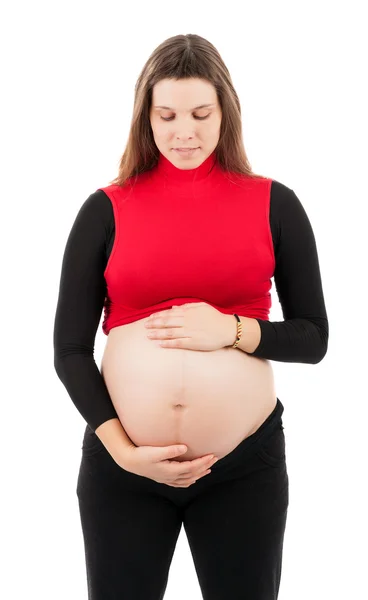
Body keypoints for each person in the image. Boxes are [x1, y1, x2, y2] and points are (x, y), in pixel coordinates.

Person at [53, 33, 329, 600]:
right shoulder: (106, 207)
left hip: (243, 468)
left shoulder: (276, 203)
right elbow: (70, 351)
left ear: (225, 111)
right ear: (145, 118)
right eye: (168, 114)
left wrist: (232, 330)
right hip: (123, 467)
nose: (185, 131)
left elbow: (313, 338)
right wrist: (123, 451)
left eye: (202, 114)